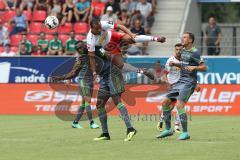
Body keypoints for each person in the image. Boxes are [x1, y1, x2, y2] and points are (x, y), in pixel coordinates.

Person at [156, 32, 207, 140]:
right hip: (180, 81)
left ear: (190, 40)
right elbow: (185, 65)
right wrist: (175, 64)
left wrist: (195, 68)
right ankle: (168, 129)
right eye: (182, 37)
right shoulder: (183, 51)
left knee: (179, 105)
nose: (182, 39)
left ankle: (185, 132)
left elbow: (204, 67)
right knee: (165, 102)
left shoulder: (195, 53)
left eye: (185, 37)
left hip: (189, 82)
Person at [87, 18, 165, 81]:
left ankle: (156, 38)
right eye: (97, 29)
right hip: (106, 48)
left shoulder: (103, 23)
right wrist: (94, 72)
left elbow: (120, 26)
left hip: (113, 36)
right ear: (92, 28)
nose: (100, 30)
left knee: (130, 38)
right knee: (120, 65)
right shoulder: (90, 40)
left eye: (100, 28)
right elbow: (91, 58)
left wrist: (130, 34)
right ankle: (143, 71)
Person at [51, 41, 100, 129]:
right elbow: (74, 71)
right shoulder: (80, 58)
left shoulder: (92, 53)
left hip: (90, 81)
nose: (83, 48)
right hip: (83, 81)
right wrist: (64, 78)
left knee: (84, 103)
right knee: (88, 101)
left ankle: (75, 122)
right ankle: (92, 123)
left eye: (83, 46)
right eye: (80, 48)